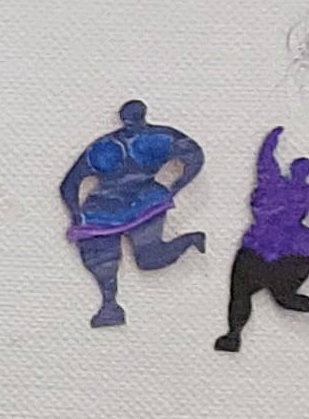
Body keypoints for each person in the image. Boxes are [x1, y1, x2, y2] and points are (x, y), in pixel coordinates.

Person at [60, 99, 208, 328]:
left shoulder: (156, 139)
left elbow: (195, 156)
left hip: (144, 203)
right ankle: (109, 305)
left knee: (148, 258)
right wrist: (76, 214)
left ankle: (190, 240)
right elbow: (69, 185)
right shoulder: (115, 144)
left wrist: (177, 186)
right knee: (100, 257)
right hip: (106, 210)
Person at [217, 129, 309, 351]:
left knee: (241, 294)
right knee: (283, 297)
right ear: (306, 174)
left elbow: (265, 159)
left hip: (258, 247)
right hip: (286, 252)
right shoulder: (307, 193)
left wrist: (271, 140)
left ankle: (234, 334)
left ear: (291, 170)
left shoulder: (272, 182)